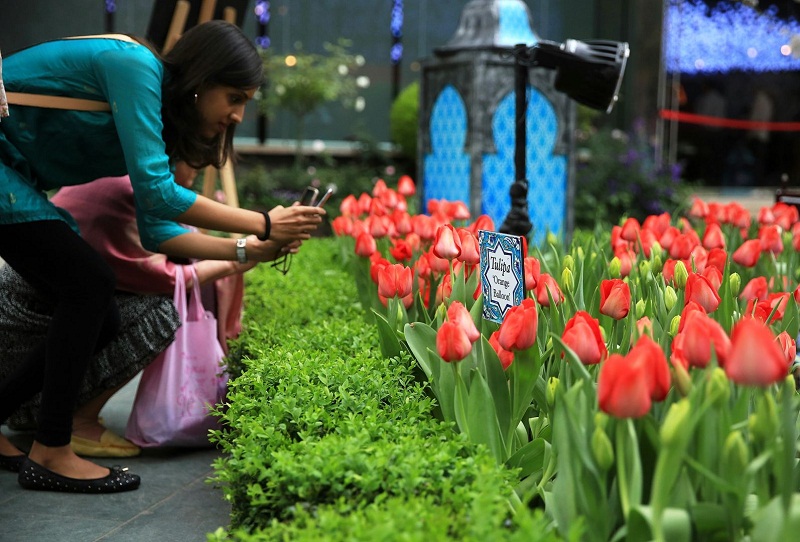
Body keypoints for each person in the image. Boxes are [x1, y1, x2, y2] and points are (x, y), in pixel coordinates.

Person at [0, 21, 325, 493]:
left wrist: (249, 249)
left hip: (18, 179)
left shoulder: (159, 114)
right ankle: (51, 450)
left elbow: (158, 231)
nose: (238, 116)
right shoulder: (135, 68)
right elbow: (159, 195)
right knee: (88, 285)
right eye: (234, 98)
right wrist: (263, 223)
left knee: (102, 311)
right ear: (202, 79)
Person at [0, 162, 283, 459]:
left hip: (25, 329)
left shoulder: (119, 171)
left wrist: (246, 245)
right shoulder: (135, 188)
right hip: (21, 333)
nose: (197, 175)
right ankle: (73, 424)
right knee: (159, 315)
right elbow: (168, 276)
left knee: (105, 305)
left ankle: (49, 420)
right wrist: (245, 249)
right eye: (196, 162)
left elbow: (180, 250)